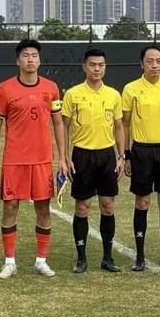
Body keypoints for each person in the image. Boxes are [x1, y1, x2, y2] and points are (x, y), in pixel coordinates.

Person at [0, 39, 69, 279]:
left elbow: (58, 123)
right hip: (14, 159)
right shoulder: (5, 89)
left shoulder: (51, 88)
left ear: (39, 60)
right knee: (10, 207)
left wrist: (63, 158)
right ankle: (9, 262)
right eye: (26, 55)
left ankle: (41, 261)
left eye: (34, 55)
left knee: (43, 208)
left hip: (42, 160)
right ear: (18, 60)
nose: (30, 59)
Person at [62, 48, 125, 274]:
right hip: (82, 155)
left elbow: (119, 126)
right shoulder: (73, 94)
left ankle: (107, 257)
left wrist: (121, 156)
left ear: (105, 67)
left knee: (108, 205)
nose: (97, 69)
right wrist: (65, 157)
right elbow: (63, 127)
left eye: (101, 65)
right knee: (83, 206)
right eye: (92, 65)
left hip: (107, 155)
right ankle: (81, 259)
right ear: (84, 67)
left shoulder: (113, 95)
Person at [122, 45, 160, 271]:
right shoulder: (130, 89)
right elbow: (124, 124)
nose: (155, 65)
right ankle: (139, 255)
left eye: (158, 61)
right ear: (142, 64)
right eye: (150, 61)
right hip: (141, 151)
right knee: (143, 202)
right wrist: (126, 155)